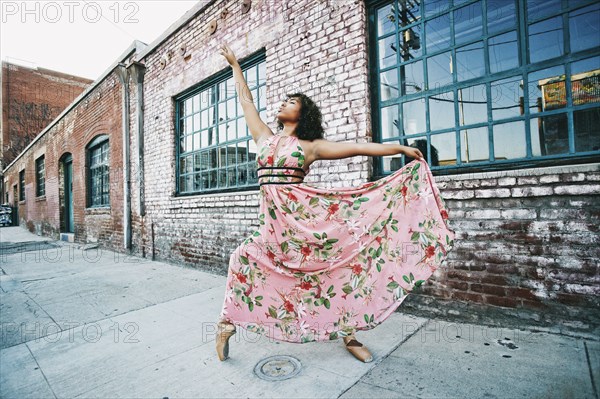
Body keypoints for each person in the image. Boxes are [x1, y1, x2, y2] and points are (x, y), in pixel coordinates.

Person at [215, 43, 455, 363]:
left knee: (331, 274)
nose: (284, 103)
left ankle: (349, 332)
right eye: (285, 100)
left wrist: (399, 147)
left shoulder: (311, 147)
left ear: (303, 113)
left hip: (306, 224)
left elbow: (358, 147)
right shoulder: (263, 137)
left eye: (292, 101)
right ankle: (226, 323)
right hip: (273, 228)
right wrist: (235, 67)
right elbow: (246, 102)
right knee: (241, 258)